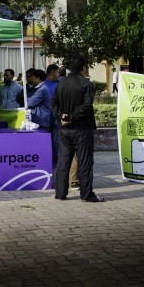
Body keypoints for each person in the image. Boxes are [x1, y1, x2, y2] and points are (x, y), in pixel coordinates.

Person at [51, 56, 104, 203]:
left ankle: (60, 193)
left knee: (63, 161)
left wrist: (62, 116)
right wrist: (72, 117)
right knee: (85, 162)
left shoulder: (60, 84)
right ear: (83, 68)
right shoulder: (86, 84)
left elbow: (53, 103)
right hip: (82, 128)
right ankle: (87, 194)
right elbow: (87, 105)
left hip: (64, 129)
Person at [43, 64, 61, 170]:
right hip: (45, 117)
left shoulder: (60, 84)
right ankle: (47, 161)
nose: (59, 74)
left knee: (55, 139)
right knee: (46, 140)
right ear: (51, 73)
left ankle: (56, 162)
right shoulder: (43, 85)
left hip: (56, 116)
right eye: (57, 72)